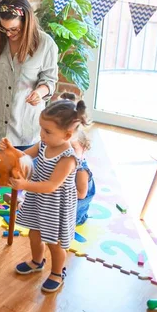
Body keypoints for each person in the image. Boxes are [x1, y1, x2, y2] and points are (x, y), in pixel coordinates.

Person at [6, 97, 90, 293]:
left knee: (55, 242)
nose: (42, 134)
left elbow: (52, 186)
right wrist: (11, 152)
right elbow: (25, 155)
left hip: (56, 205)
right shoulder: (44, 144)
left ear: (68, 134)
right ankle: (37, 261)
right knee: (34, 233)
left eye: (47, 131)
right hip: (37, 200)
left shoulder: (68, 158)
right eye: (42, 129)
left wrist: (24, 184)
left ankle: (58, 273)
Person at [0, 0, 59, 152]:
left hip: (25, 126)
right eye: (3, 28)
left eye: (14, 29)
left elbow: (50, 79)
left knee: (24, 174)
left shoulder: (46, 44)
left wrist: (40, 92)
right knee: (0, 173)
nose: (8, 34)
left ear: (26, 23)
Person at [59, 92, 96, 225]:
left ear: (84, 148)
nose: (69, 152)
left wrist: (60, 186)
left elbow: (81, 194)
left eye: (73, 149)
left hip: (74, 212)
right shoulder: (64, 160)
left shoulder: (81, 170)